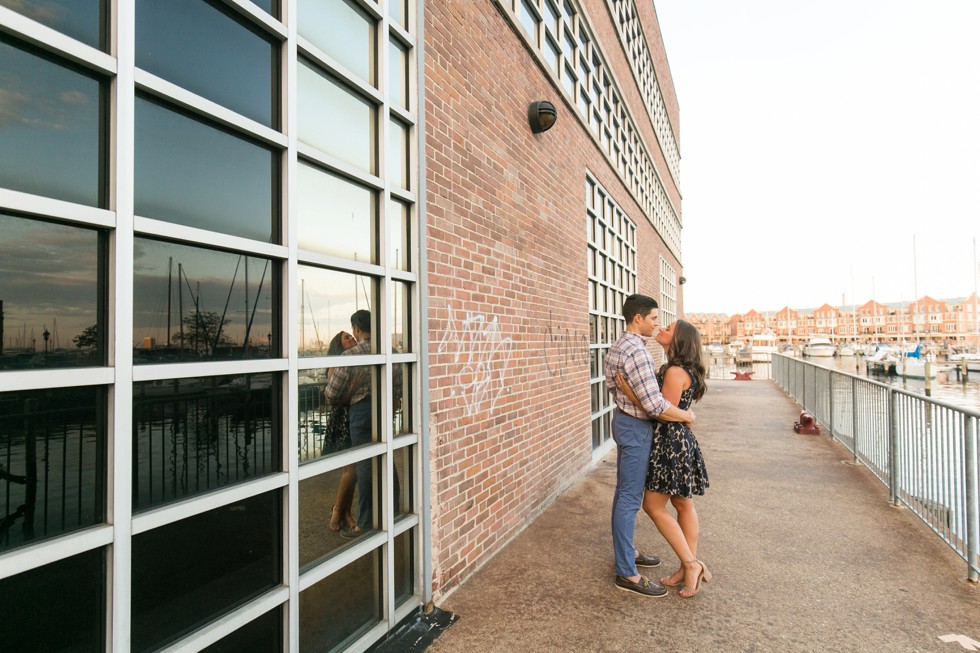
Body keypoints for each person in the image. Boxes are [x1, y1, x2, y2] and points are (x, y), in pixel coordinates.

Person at [604, 294, 696, 597]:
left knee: (625, 495)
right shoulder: (638, 353)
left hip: (625, 423)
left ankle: (627, 552)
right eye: (654, 318)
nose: (657, 324)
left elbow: (612, 385)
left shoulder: (620, 346)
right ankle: (627, 574)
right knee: (630, 499)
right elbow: (656, 406)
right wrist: (687, 415)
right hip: (636, 429)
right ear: (638, 318)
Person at [619, 320, 711, 597]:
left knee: (654, 507)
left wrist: (631, 395)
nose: (661, 329)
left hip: (669, 442)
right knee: (683, 503)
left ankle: (690, 564)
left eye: (668, 328)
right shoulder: (685, 370)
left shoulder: (674, 371)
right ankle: (687, 567)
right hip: (680, 440)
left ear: (678, 340)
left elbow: (659, 411)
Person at [324, 330, 358, 532]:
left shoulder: (353, 361)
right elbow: (334, 399)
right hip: (343, 419)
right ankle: (338, 510)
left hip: (351, 417)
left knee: (352, 470)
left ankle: (345, 511)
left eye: (352, 337)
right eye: (347, 338)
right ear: (339, 345)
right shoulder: (337, 365)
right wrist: (353, 390)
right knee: (351, 470)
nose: (352, 339)